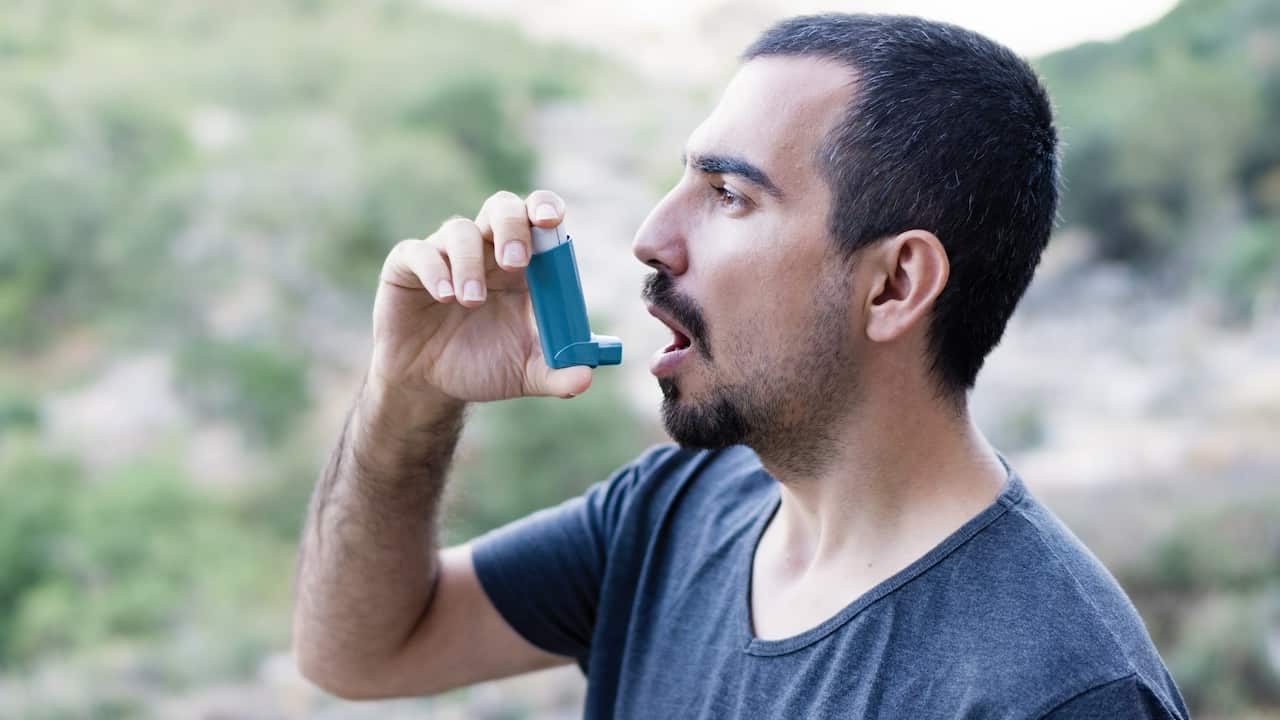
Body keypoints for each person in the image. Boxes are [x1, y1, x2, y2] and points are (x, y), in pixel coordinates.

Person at [292, 13, 1189, 719]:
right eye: (682, 179)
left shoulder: (1060, 692)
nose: (652, 238)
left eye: (728, 195)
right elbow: (360, 651)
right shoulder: (674, 509)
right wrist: (409, 397)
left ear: (894, 284)